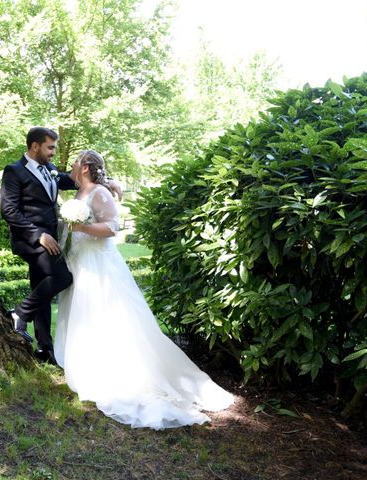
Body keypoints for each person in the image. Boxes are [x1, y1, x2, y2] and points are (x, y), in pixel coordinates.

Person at [54, 150, 234, 428]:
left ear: (86, 167)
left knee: (103, 312)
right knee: (83, 313)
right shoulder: (79, 193)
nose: (72, 166)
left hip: (97, 263)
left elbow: (112, 226)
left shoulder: (99, 193)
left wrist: (81, 227)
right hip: (79, 262)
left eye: (76, 162)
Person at [0, 128, 121, 364]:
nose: (54, 152)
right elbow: (9, 210)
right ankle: (19, 313)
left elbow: (77, 180)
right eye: (50, 147)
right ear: (35, 146)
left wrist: (109, 181)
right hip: (32, 240)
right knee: (62, 277)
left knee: (41, 289)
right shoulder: (14, 171)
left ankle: (45, 349)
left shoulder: (50, 170)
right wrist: (38, 236)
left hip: (52, 238)